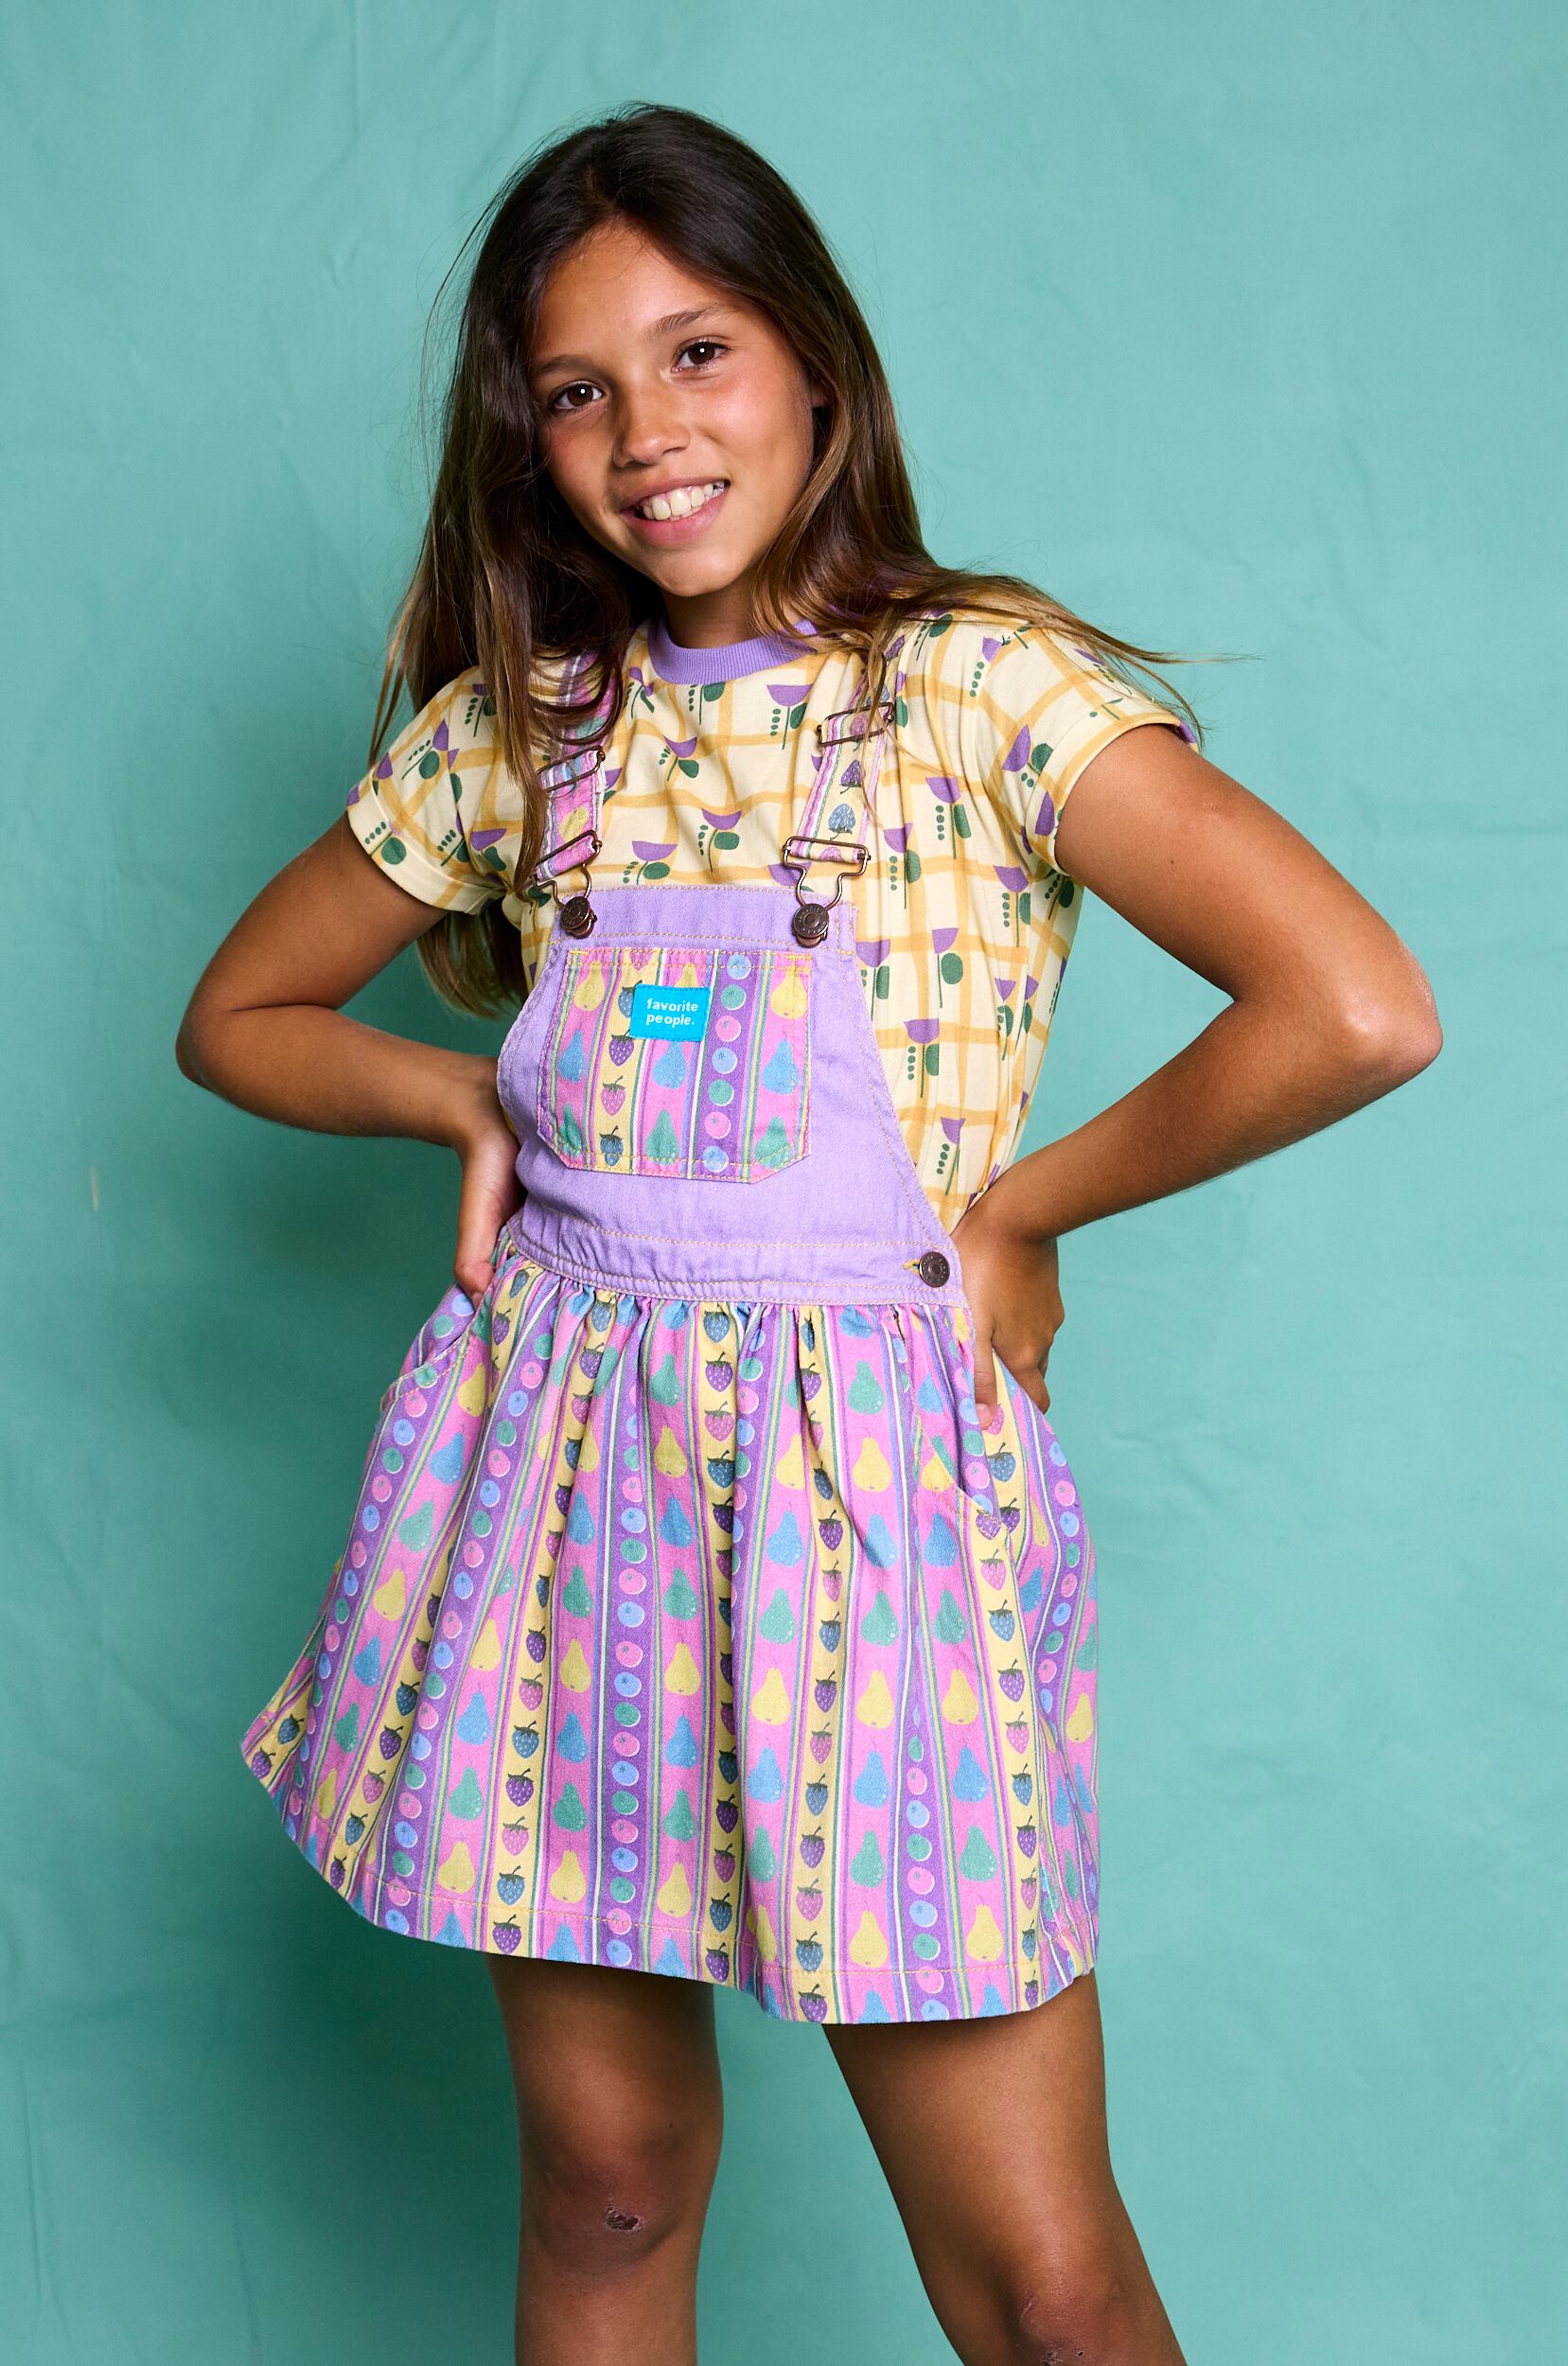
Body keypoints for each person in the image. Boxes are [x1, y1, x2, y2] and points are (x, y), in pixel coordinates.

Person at [176, 100, 1440, 2366]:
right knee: (608, 2181)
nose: (646, 434)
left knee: (1047, 2284)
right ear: (530, 440)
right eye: (578, 390)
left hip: (875, 1517)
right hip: (565, 1497)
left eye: (699, 353)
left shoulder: (978, 683)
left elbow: (1354, 1004)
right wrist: (460, 1095)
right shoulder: (527, 729)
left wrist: (1027, 1209)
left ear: (817, 365)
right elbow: (238, 1015)